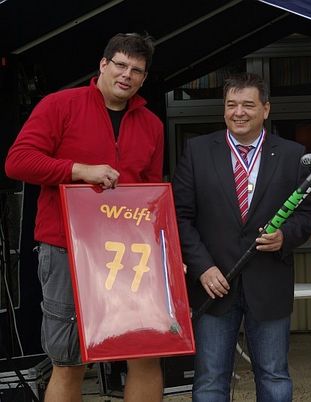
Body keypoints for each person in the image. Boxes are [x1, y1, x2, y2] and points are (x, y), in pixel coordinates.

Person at [4, 33, 164, 402]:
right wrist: (78, 170)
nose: (127, 75)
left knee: (143, 354)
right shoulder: (59, 105)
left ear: (143, 78)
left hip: (130, 255)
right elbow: (17, 162)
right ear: (103, 65)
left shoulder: (152, 125)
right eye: (120, 65)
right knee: (69, 360)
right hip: (66, 250)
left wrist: (165, 253)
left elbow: (151, 193)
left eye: (136, 70)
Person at [172, 72, 311, 402]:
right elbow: (180, 215)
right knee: (210, 380)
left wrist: (285, 236)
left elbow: (308, 215)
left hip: (269, 282)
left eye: (248, 105)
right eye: (231, 104)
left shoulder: (293, 154)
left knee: (274, 376)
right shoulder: (197, 150)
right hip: (213, 284)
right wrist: (202, 267)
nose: (239, 112)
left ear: (265, 109)